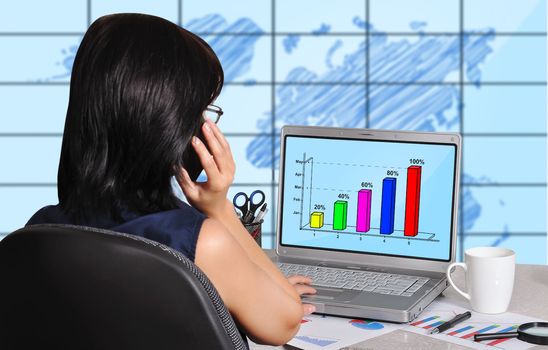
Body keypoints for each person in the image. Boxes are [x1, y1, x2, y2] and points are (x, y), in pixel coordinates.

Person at [26, 13, 315, 346]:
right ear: (169, 121)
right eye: (203, 110)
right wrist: (218, 207)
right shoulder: (201, 242)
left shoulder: (40, 230)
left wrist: (252, 283)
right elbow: (284, 322)